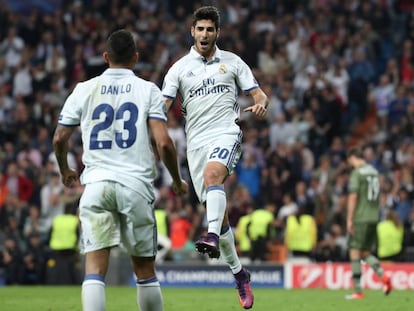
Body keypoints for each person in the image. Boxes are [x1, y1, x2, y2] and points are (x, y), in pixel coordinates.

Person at [52, 29, 188, 311]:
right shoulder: (148, 90)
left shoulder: (84, 89)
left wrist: (65, 169)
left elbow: (58, 138)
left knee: (94, 269)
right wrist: (177, 179)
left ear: (105, 57)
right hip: (135, 186)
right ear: (136, 58)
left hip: (97, 185)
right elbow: (163, 143)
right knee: (145, 271)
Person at [162, 6, 268, 309]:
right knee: (220, 220)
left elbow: (259, 94)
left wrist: (261, 103)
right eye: (200, 29)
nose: (205, 34)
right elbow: (164, 104)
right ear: (192, 31)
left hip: (225, 134)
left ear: (217, 33)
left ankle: (208, 234)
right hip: (195, 146)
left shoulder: (233, 62)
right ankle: (239, 273)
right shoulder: (179, 69)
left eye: (210, 29)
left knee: (213, 177)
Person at [345, 147, 391, 299]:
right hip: (373, 217)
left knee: (354, 250)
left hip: (361, 217)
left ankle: (358, 291)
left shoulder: (357, 173)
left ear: (352, 158)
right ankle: (383, 276)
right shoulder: (374, 171)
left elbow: (353, 196)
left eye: (350, 161)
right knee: (365, 252)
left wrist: (349, 219)